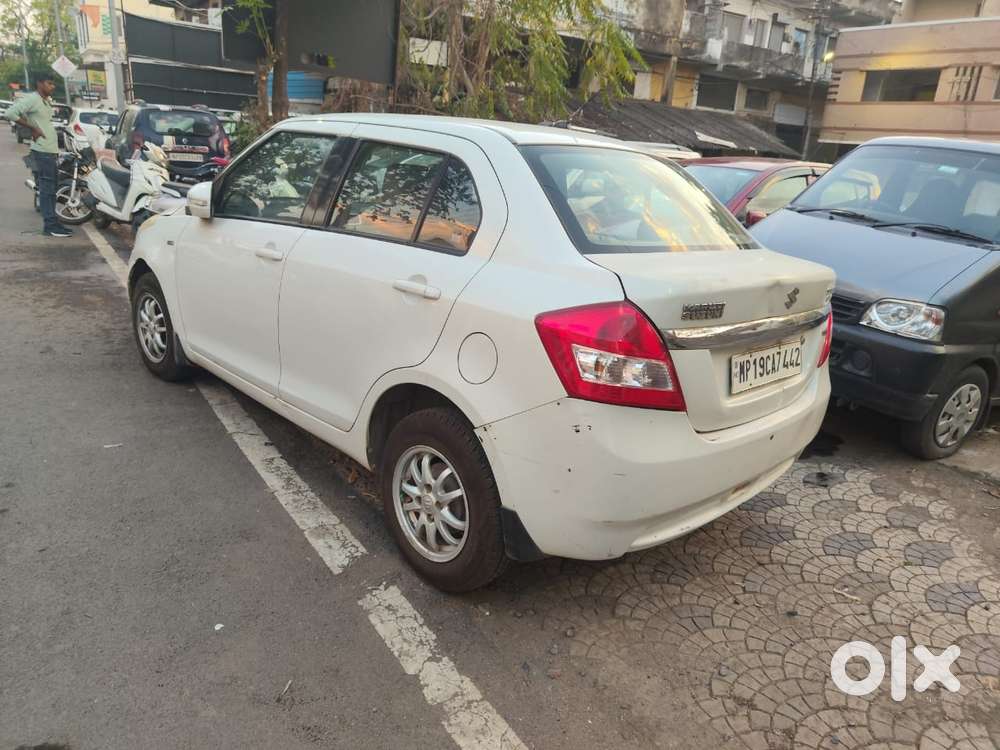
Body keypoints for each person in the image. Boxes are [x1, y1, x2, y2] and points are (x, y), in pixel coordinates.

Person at [5, 78, 73, 238]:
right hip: (42, 151)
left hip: (49, 150)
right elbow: (10, 113)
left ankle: (54, 222)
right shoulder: (33, 99)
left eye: (53, 84)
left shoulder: (44, 101)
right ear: (40, 84)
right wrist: (32, 128)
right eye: (49, 83)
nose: (52, 86)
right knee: (47, 189)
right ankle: (49, 226)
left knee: (51, 189)